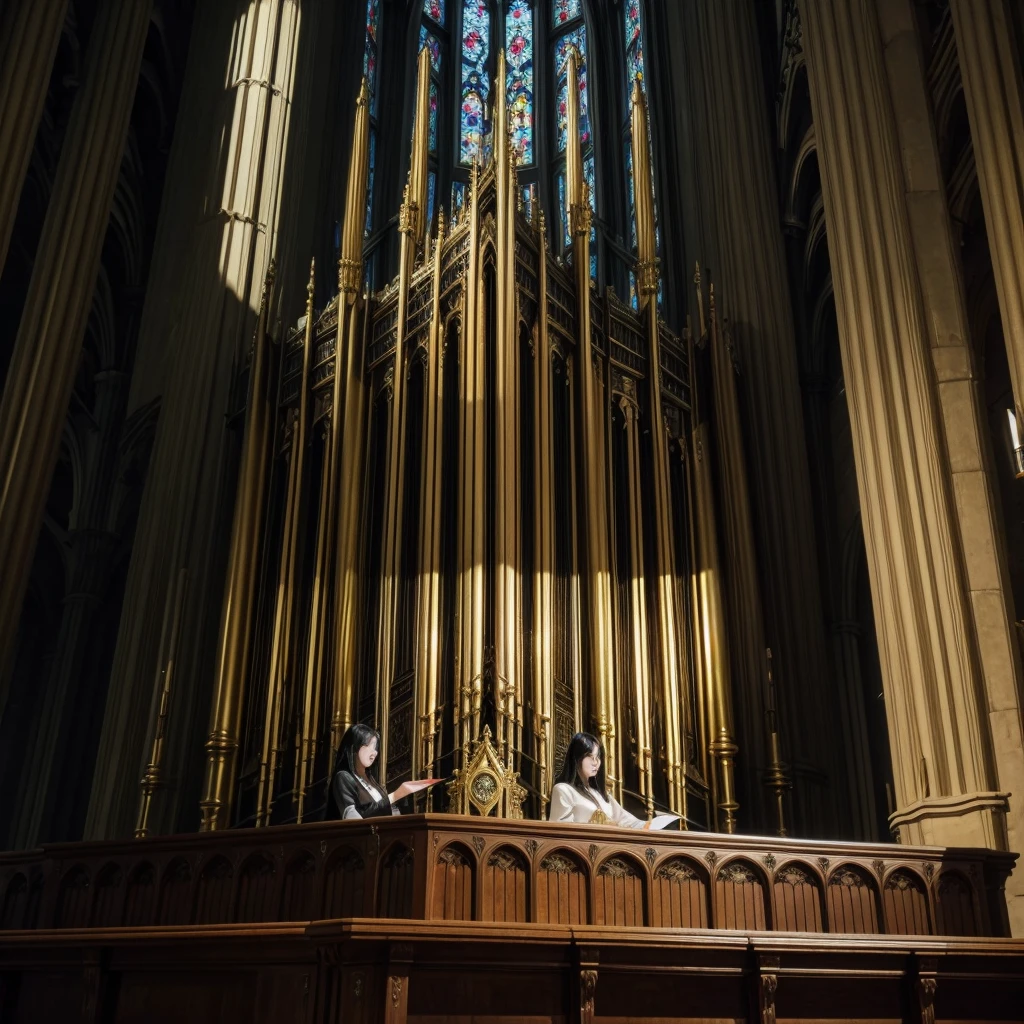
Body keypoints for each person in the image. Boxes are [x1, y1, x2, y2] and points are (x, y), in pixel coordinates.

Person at [548, 731, 649, 828]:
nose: (595, 762)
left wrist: (649, 825)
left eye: (597, 757)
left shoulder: (600, 794)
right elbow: (561, 829)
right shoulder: (564, 790)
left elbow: (626, 820)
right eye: (590, 757)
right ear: (576, 758)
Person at [331, 723, 423, 819]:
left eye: (375, 748)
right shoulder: (343, 777)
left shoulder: (370, 778)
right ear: (354, 748)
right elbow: (353, 819)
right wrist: (395, 796)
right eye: (368, 746)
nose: (374, 752)